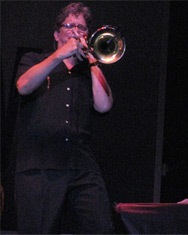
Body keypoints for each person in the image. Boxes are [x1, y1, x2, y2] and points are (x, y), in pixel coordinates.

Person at [14, 2, 115, 233]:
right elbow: (23, 87)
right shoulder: (34, 59)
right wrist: (60, 55)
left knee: (102, 228)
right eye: (70, 26)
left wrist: (92, 60)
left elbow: (104, 105)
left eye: (81, 28)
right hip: (41, 164)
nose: (76, 32)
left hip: (81, 165)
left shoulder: (88, 71)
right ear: (57, 33)